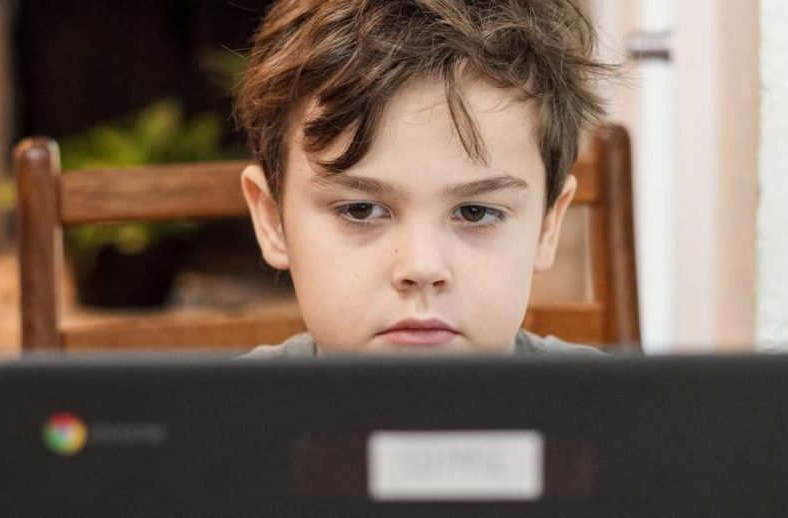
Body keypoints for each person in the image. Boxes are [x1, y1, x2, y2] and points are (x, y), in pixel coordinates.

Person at [236, 0, 616, 357]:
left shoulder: (617, 416)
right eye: (361, 209)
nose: (421, 267)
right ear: (273, 221)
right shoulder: (217, 420)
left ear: (547, 226)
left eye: (474, 212)